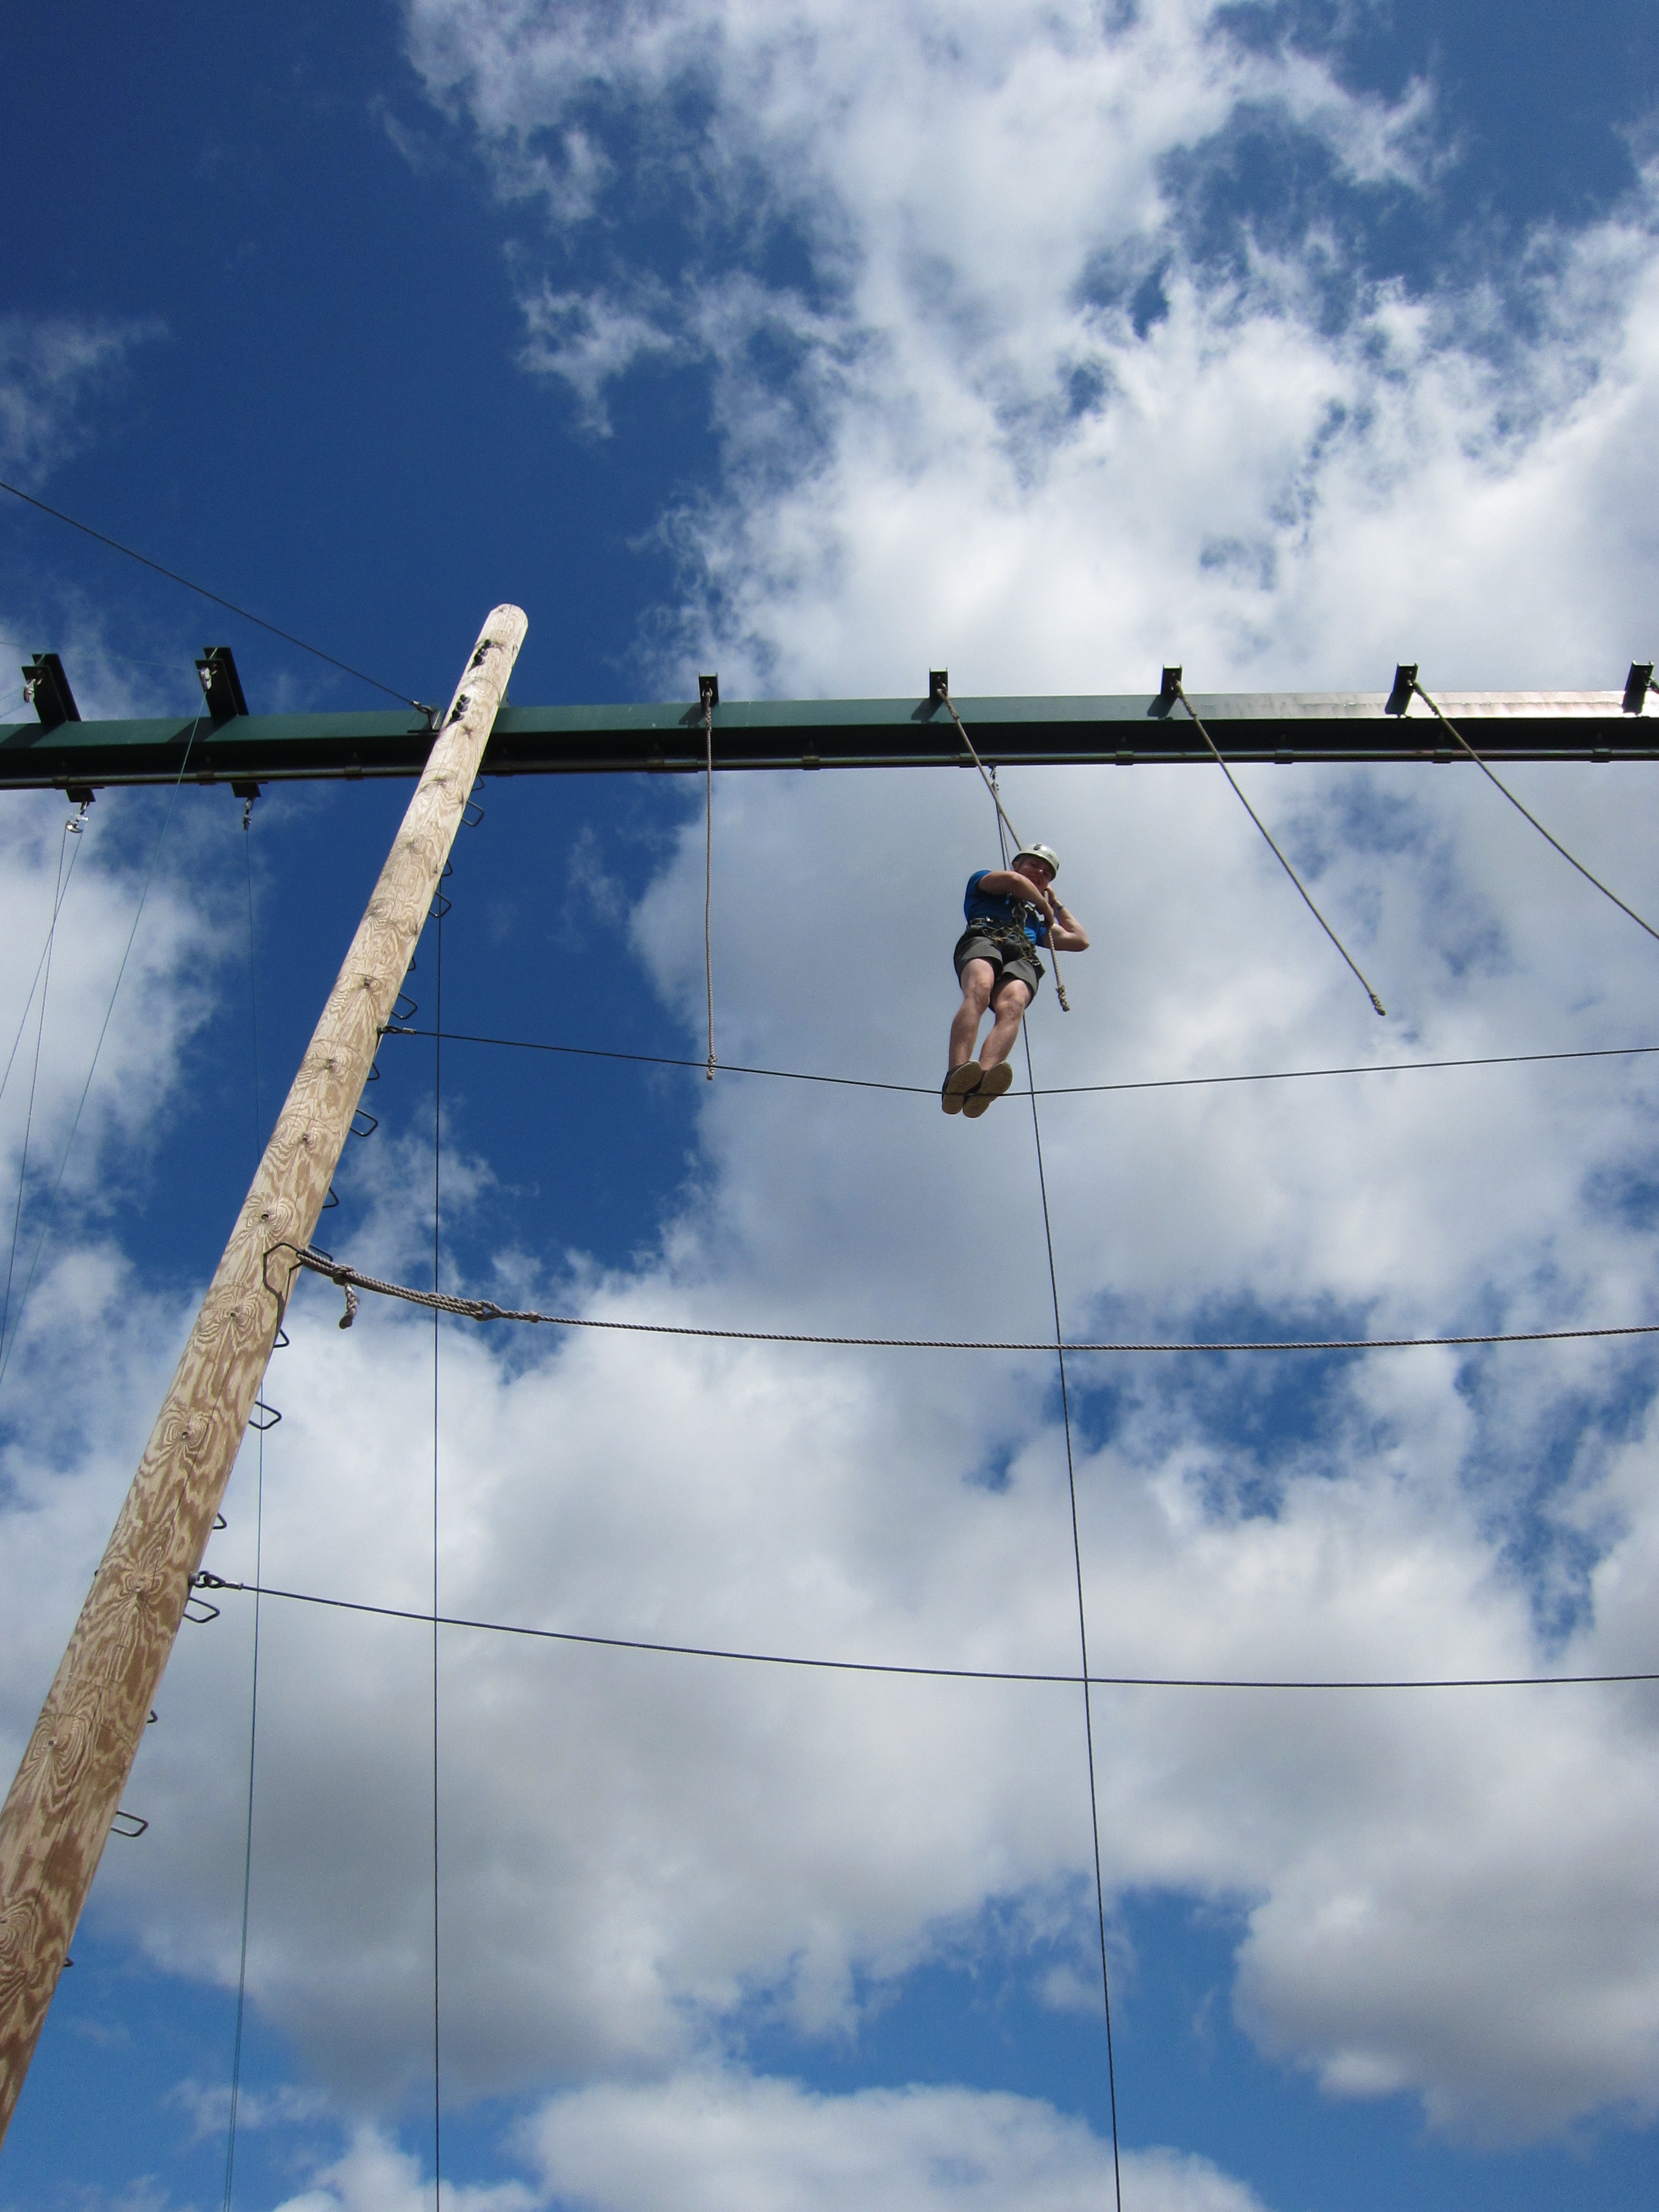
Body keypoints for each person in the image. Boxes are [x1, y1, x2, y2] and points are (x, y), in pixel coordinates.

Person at [943, 843, 1090, 1116]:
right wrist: (1044, 904)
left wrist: (1054, 906)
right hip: (985, 936)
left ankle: (983, 1081)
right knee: (980, 990)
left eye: (1047, 873)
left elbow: (1080, 940)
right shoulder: (985, 881)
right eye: (1034, 865)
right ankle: (957, 1072)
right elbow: (1013, 882)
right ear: (1017, 864)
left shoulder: (1035, 921)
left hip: (1022, 953)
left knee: (1013, 1005)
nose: (1040, 872)